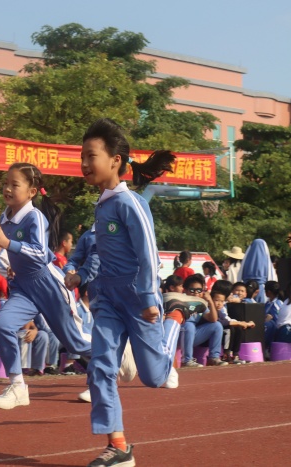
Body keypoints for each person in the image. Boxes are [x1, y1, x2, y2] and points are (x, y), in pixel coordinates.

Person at [78, 118, 186, 466]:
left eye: (91, 156)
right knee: (100, 367)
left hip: (139, 299)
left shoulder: (130, 203)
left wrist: (150, 299)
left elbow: (148, 255)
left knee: (154, 377)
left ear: (116, 161)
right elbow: (98, 252)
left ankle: (175, 320)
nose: (84, 163)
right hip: (108, 298)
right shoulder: (102, 205)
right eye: (82, 156)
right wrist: (84, 279)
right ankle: (119, 446)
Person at [0, 162, 92, 411]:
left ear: (32, 192)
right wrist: (7, 264)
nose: (7, 189)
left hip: (48, 284)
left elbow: (40, 253)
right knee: (2, 324)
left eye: (15, 185)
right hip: (23, 287)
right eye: (6, 183)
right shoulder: (6, 216)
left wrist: (9, 245)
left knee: (76, 343)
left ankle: (114, 355)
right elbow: (10, 255)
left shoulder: (35, 216)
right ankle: (17, 387)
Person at [180, 274, 228, 368]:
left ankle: (213, 358)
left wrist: (210, 301)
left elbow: (213, 319)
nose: (196, 293)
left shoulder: (201, 304)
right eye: (192, 290)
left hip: (191, 335)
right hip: (179, 335)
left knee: (217, 325)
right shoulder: (180, 301)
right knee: (189, 325)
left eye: (199, 290)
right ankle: (187, 360)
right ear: (185, 290)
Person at [264, 280, 284, 359]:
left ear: (268, 292)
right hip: (269, 327)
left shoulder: (277, 303)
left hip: (277, 329)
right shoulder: (267, 303)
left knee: (270, 324)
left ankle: (266, 348)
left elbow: (280, 319)